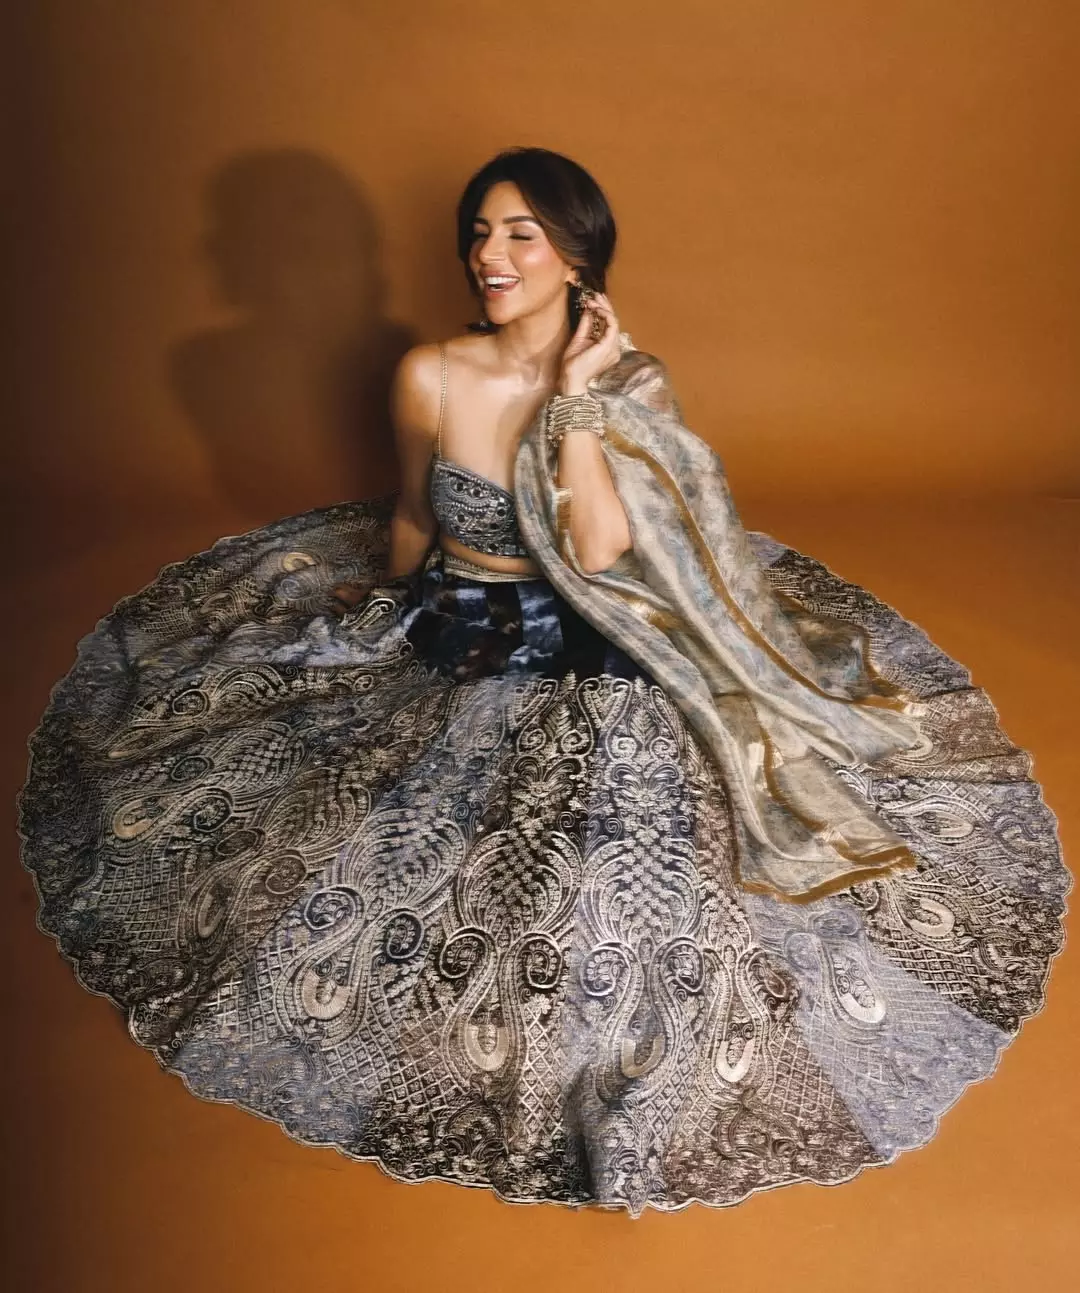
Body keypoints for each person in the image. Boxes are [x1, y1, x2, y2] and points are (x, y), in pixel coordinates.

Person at [19, 146, 1068, 1217]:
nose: (491, 254)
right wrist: (383, 606)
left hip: (593, 618)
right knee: (416, 816)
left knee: (635, 807)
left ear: (577, 258)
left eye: (522, 234)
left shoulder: (630, 381)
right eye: (480, 232)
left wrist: (574, 397)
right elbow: (415, 514)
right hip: (465, 623)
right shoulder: (430, 374)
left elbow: (602, 549)